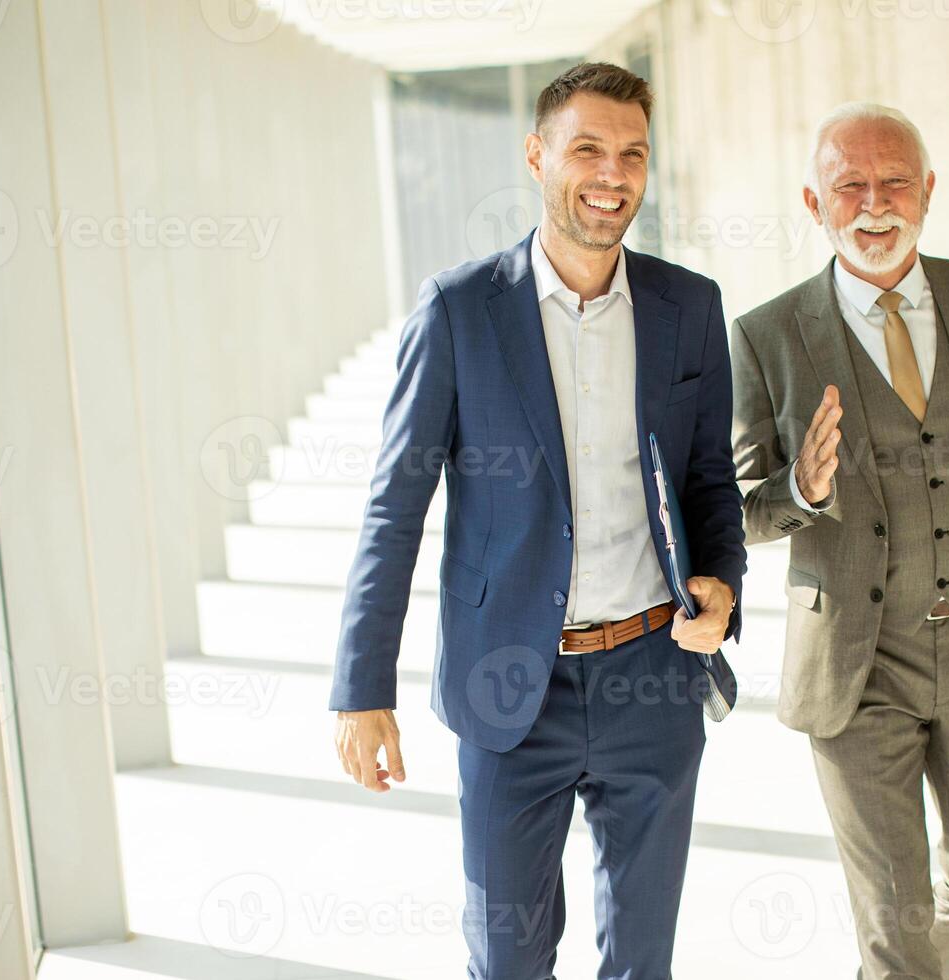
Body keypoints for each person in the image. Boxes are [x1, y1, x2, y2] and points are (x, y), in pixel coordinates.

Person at [330, 62, 746, 980]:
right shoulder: (458, 312)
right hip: (507, 681)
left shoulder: (691, 308)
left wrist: (723, 585)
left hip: (654, 675)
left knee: (643, 962)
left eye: (632, 153)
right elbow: (395, 508)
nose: (612, 173)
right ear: (536, 156)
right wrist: (361, 688)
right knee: (508, 959)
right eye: (587, 148)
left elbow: (710, 481)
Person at [730, 101, 949, 980]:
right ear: (815, 206)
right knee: (897, 926)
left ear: (928, 190)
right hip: (859, 668)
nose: (874, 204)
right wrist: (801, 490)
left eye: (895, 181)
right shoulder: (767, 334)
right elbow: (741, 509)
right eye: (848, 185)